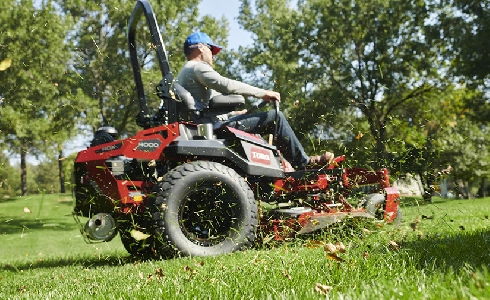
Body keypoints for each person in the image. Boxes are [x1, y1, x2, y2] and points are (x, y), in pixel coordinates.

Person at [175, 32, 334, 169]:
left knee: (258, 132)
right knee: (274, 118)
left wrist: (234, 113)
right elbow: (226, 85)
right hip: (212, 127)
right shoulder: (197, 67)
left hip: (206, 124)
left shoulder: (185, 71)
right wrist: (262, 93)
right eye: (212, 50)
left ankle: (284, 167)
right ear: (201, 47)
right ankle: (303, 163)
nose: (214, 56)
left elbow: (207, 104)